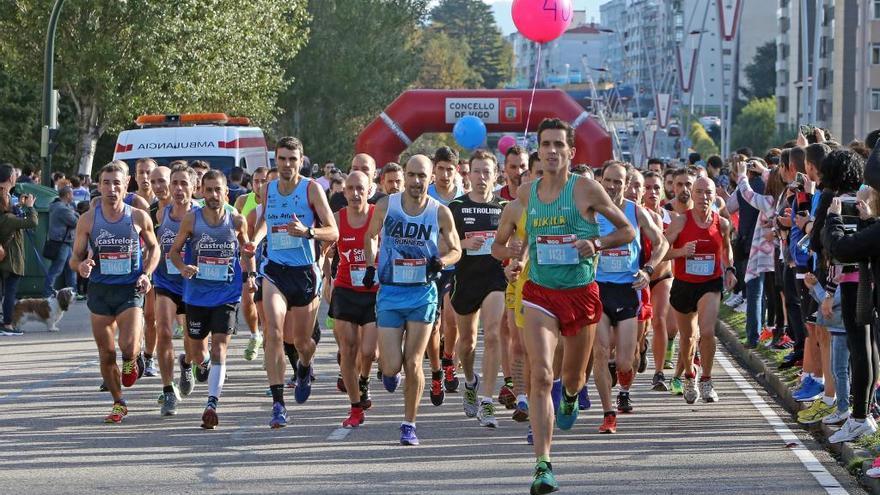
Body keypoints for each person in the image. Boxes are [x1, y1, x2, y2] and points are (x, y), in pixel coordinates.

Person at [517, 119, 635, 494]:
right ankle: (543, 465)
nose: (551, 151)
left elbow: (627, 232)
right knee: (539, 375)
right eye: (545, 144)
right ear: (538, 150)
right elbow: (524, 238)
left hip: (582, 296)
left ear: (571, 152)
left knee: (572, 379)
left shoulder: (585, 188)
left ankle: (569, 397)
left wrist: (597, 244)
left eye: (558, 145)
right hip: (539, 294)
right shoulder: (527, 193)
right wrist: (514, 259)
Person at [362, 154, 461, 446]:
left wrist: (441, 262)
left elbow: (456, 249)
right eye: (412, 175)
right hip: (391, 292)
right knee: (392, 366)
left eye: (422, 176)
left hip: (422, 293)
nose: (417, 182)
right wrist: (370, 265)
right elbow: (370, 235)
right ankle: (389, 373)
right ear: (404, 175)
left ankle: (409, 424)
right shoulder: (386, 205)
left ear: (431, 179)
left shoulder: (440, 212)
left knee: (414, 361)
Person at [252, 137, 338, 428]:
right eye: (282, 159)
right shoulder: (268, 189)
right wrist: (254, 238)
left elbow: (333, 231)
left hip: (304, 273)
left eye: (292, 159)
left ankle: (304, 366)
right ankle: (278, 404)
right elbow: (265, 221)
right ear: (274, 160)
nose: (287, 164)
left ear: (301, 161)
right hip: (275, 270)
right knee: (273, 334)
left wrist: (308, 233)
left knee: (303, 343)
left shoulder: (311, 189)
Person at [70, 160, 160, 423]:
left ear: (126, 185)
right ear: (99, 186)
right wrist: (82, 266)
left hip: (129, 289)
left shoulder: (138, 216)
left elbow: (154, 248)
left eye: (116, 183)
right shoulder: (88, 219)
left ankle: (132, 359)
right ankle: (118, 402)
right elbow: (74, 258)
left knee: (128, 345)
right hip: (100, 290)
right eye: (106, 183)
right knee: (107, 353)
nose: (111, 188)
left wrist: (147, 273)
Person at [170, 170, 256, 429]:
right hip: (196, 295)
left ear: (225, 192)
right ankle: (194, 362)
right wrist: (183, 268)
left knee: (219, 348)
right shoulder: (191, 220)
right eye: (208, 190)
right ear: (201, 192)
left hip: (226, 295)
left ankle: (211, 404)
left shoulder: (237, 221)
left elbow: (247, 250)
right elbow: (174, 252)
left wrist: (250, 274)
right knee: (197, 352)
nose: (213, 195)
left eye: (218, 190)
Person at [592, 162, 667, 434]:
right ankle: (608, 413)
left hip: (627, 290)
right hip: (598, 288)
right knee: (600, 353)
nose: (612, 186)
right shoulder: (590, 210)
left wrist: (648, 270)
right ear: (601, 180)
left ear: (626, 184)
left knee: (625, 362)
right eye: (608, 180)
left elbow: (662, 243)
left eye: (618, 182)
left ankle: (624, 386)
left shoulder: (636, 212)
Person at [448, 150, 508, 428]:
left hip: (495, 279)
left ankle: (487, 400)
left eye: (487, 172)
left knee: (494, 333)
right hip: (466, 280)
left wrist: (514, 257)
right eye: (477, 171)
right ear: (467, 174)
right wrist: (462, 244)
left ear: (496, 175)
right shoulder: (455, 207)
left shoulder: (504, 207)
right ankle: (470, 381)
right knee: (468, 342)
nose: (482, 177)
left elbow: (519, 241)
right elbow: (440, 246)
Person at [664, 176, 736, 404]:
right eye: (699, 192)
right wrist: (681, 251)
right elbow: (662, 252)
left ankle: (706, 379)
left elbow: (727, 249)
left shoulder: (721, 223)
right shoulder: (680, 222)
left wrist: (730, 269)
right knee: (687, 338)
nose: (704, 197)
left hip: (710, 283)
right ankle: (689, 376)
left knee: (706, 332)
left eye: (708, 192)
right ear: (692, 195)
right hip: (684, 285)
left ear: (715, 195)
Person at [328, 171, 379, 428]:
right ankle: (355, 407)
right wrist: (325, 279)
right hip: (345, 290)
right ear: (344, 192)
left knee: (369, 351)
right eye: (351, 189)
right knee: (347, 349)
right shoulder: (337, 219)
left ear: (369, 190)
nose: (356, 193)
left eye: (361, 188)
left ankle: (365, 379)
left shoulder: (377, 216)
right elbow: (325, 254)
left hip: (374, 292)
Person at [152, 164, 197, 416]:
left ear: (193, 187)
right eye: (174, 184)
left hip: (192, 284)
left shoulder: (201, 214)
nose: (178, 189)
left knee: (193, 339)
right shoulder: (162, 214)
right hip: (166, 281)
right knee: (165, 332)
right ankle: (168, 390)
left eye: (183, 184)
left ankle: (187, 363)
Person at [428, 146, 465, 398]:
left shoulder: (464, 198)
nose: (444, 175)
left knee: (451, 321)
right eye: (440, 169)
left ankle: (449, 358)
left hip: (456, 267)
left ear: (457, 170)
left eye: (449, 170)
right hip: (429, 267)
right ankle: (436, 372)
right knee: (433, 325)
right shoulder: (425, 196)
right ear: (434, 170)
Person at [234, 166, 269, 360]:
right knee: (248, 302)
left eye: (264, 181)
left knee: (267, 309)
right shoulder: (242, 201)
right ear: (251, 183)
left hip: (270, 258)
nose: (260, 184)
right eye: (256, 181)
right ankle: (255, 335)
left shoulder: (277, 203)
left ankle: (268, 347)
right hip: (248, 257)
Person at [0, 191, 36, 335]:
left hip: (3, 259)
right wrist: (30, 207)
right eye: (9, 200)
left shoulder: (5, 217)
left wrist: (19, 206)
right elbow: (32, 222)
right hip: (11, 260)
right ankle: (8, 325)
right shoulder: (9, 218)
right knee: (10, 293)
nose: (12, 201)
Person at [44, 186, 79, 297]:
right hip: (62, 243)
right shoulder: (62, 209)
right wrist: (76, 213)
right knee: (56, 270)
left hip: (65, 242)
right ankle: (47, 293)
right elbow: (76, 222)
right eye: (72, 194)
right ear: (67, 195)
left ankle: (73, 292)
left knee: (71, 268)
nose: (73, 196)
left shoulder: (60, 206)